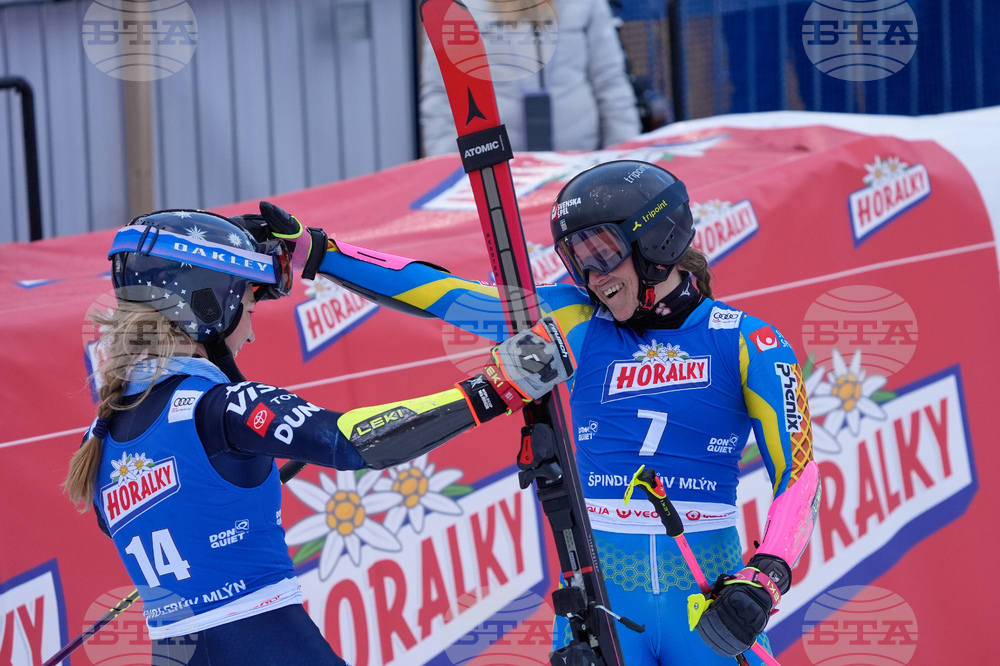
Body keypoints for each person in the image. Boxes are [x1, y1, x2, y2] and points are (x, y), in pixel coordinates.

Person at [310, 161, 820, 665]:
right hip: (601, 599)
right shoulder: (576, 319)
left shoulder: (750, 341)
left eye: (604, 252)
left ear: (657, 242)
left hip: (708, 602)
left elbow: (799, 474)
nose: (594, 276)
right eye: (578, 259)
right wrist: (321, 254)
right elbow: (446, 296)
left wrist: (768, 576)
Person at [63, 203, 575, 666]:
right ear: (207, 304)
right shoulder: (219, 407)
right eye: (248, 304)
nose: (252, 331)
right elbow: (352, 440)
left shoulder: (101, 437)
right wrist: (495, 389)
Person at [420, 0, 642, 155]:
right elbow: (441, 95)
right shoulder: (460, 5)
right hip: (499, 172)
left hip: (576, 164)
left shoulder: (585, 4)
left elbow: (610, 82)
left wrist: (624, 158)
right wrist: (450, 167)